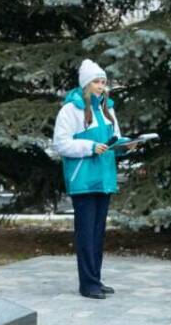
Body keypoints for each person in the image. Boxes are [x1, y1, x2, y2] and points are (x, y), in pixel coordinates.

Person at [52, 60, 136, 299]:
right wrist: (90, 146)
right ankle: (87, 284)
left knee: (98, 232)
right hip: (84, 180)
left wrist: (126, 145)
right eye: (97, 82)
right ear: (86, 84)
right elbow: (61, 143)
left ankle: (95, 279)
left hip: (104, 177)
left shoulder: (107, 109)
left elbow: (114, 138)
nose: (101, 86)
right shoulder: (70, 110)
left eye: (104, 82)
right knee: (86, 233)